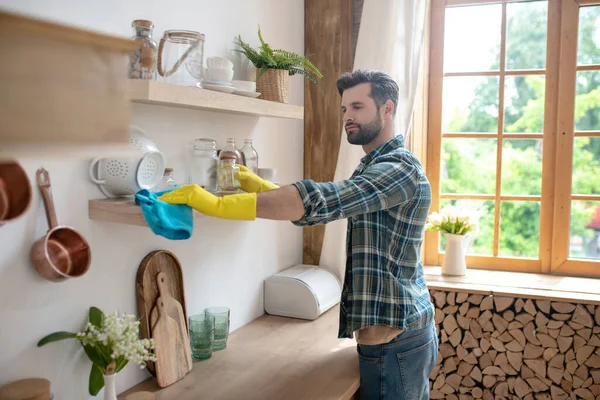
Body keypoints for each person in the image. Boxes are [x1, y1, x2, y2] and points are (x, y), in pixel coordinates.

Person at [159, 69, 437, 400]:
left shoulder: (397, 169)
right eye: (345, 109)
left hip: (396, 339)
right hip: (394, 333)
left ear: (387, 109)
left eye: (358, 107)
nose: (348, 117)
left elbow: (322, 201)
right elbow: (319, 204)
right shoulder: (376, 165)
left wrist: (218, 205)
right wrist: (262, 187)